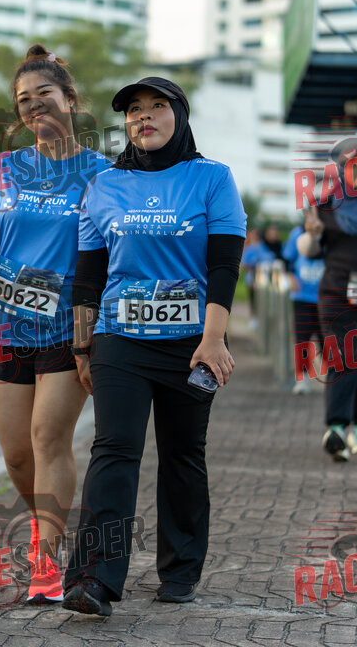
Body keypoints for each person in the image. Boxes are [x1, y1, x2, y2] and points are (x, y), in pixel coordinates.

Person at [62, 77, 247, 616]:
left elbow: (224, 265)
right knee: (113, 449)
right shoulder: (104, 186)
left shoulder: (212, 178)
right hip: (119, 339)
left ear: (179, 115)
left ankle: (180, 571)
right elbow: (88, 275)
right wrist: (82, 348)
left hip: (192, 343)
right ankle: (93, 579)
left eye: (157, 106)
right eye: (134, 110)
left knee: (183, 453)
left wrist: (213, 339)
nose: (144, 116)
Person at [0, 44, 109, 603]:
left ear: (70, 99)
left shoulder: (103, 174)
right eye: (24, 100)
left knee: (47, 438)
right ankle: (44, 526)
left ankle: (47, 562)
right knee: (16, 455)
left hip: (68, 328)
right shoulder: (5, 168)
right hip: (8, 324)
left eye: (45, 94)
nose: (35, 106)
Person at [297, 146, 357, 460]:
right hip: (337, 293)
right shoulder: (326, 206)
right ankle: (336, 427)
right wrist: (312, 234)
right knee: (346, 354)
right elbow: (308, 250)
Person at [282, 212, 325, 394]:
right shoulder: (297, 233)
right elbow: (287, 259)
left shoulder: (331, 233)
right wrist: (290, 277)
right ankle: (302, 378)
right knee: (302, 338)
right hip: (302, 296)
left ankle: (331, 378)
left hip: (326, 295)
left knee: (327, 339)